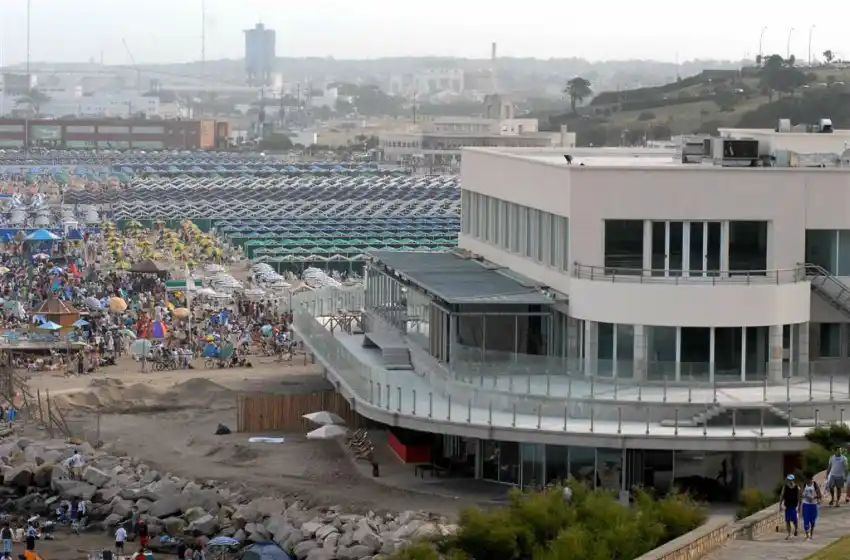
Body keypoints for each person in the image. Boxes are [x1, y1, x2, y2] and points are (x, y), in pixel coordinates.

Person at [779, 474, 801, 540]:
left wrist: (798, 506)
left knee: (794, 520)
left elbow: (799, 498)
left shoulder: (797, 487)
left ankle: (796, 529)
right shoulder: (785, 487)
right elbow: (782, 496)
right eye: (789, 480)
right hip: (787, 506)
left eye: (791, 480)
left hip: (794, 506)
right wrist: (780, 504)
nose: (790, 481)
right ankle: (789, 534)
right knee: (787, 520)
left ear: (793, 480)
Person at [801, 474, 822, 540]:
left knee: (812, 521)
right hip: (806, 504)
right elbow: (801, 494)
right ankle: (807, 535)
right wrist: (806, 497)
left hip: (813, 504)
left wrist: (814, 497)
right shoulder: (804, 485)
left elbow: (819, 495)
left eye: (808, 479)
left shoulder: (815, 485)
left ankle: (811, 534)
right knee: (806, 520)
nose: (807, 481)